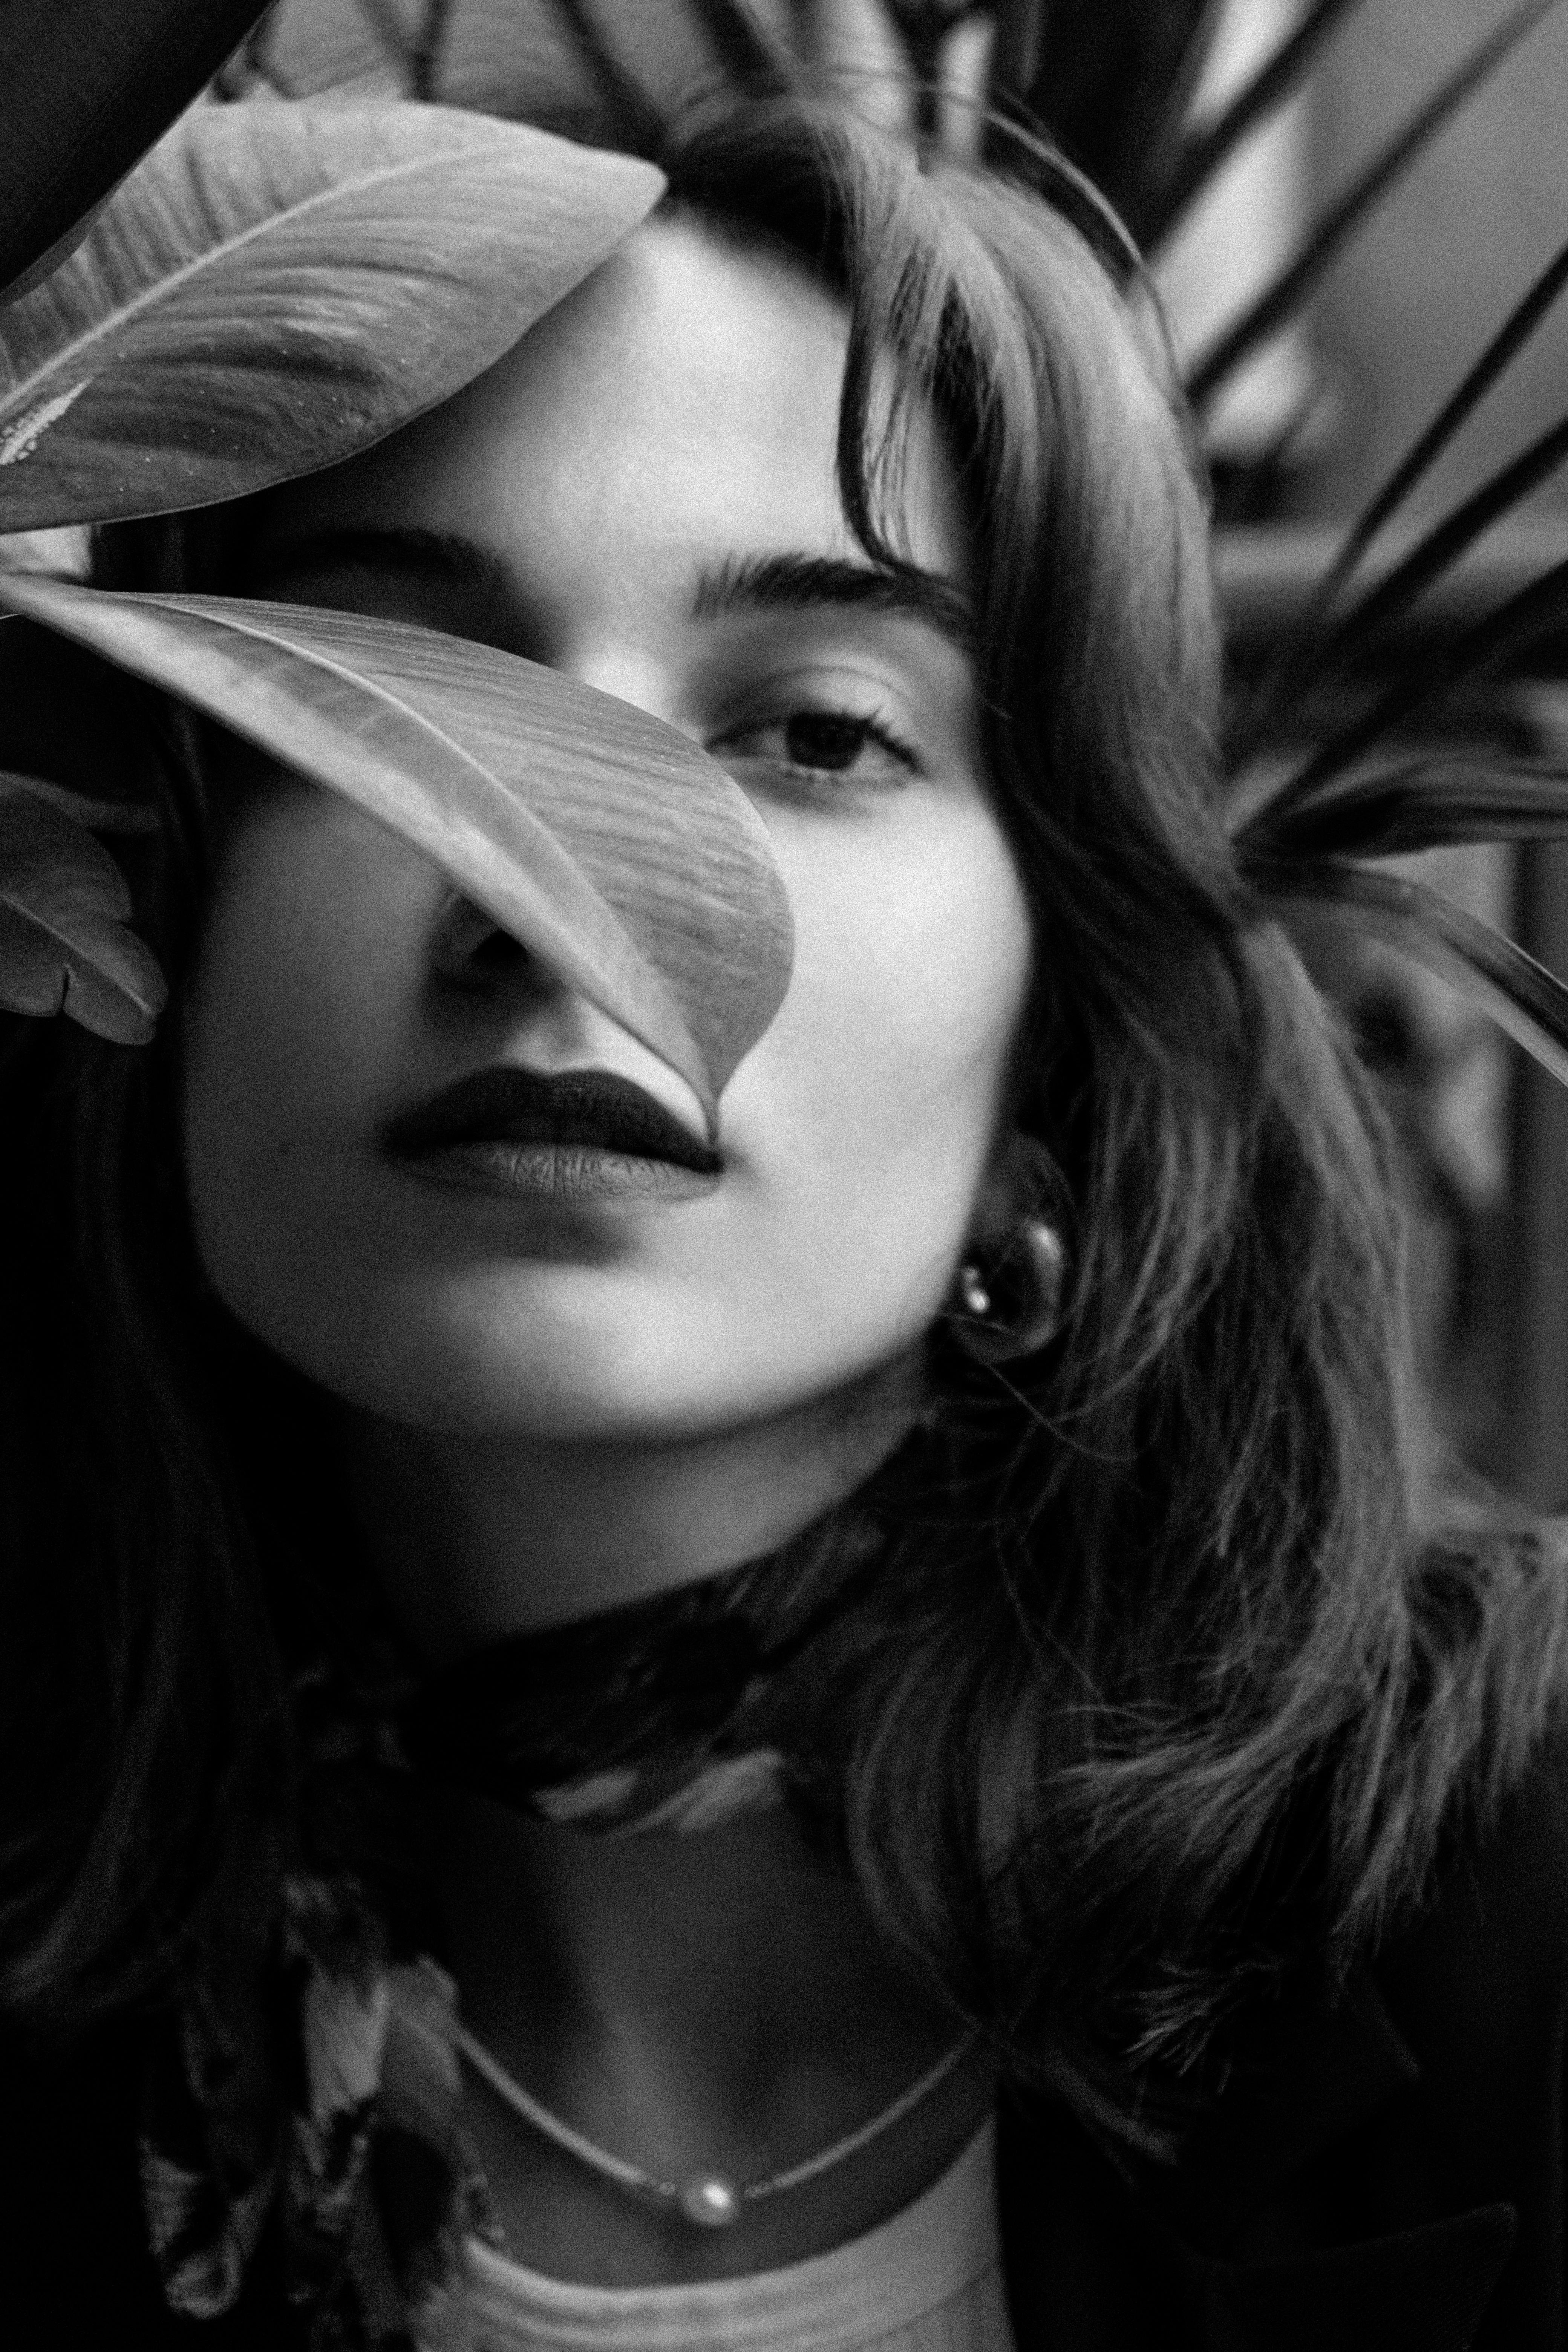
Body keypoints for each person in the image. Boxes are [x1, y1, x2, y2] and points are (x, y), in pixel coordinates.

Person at [2, 94, 1565, 2352]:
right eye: (385, 702)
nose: (557, 875)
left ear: (1055, 1066)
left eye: (816, 733)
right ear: (134, 908)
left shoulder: (1509, 1895)